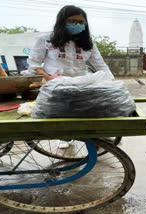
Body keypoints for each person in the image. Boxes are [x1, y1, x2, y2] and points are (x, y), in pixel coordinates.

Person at [28, 5, 114, 148]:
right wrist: (47, 77)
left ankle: (94, 140)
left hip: (81, 84)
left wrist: (111, 81)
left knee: (86, 112)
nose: (77, 25)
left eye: (81, 22)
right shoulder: (46, 39)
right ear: (62, 21)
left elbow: (100, 65)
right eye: (72, 21)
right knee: (62, 114)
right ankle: (65, 138)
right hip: (55, 85)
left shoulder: (88, 43)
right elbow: (34, 63)